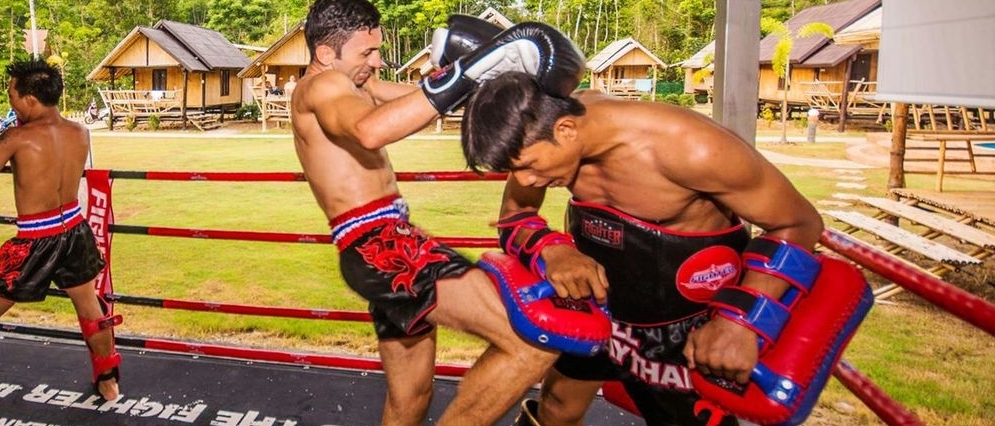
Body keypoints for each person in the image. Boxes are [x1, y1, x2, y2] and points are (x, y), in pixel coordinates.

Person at [460, 73, 826, 426]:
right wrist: (552, 249)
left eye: (528, 168)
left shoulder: (692, 148)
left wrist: (739, 324)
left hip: (686, 325)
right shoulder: (542, 130)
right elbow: (515, 215)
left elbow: (798, 223)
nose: (524, 181)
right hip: (602, 309)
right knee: (557, 406)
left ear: (566, 131)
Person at [291, 1, 587, 424]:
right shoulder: (321, 88)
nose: (376, 63)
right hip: (383, 247)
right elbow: (369, 130)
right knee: (532, 341)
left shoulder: (356, 83)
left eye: (377, 51)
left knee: (410, 397)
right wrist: (469, 71)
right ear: (324, 53)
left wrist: (480, 75)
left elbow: (425, 103)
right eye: (366, 54)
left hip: (379, 250)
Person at [0, 59, 120, 426]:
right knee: (90, 308)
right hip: (74, 229)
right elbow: (44, 167)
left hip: (36, 240)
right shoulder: (80, 132)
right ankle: (109, 383)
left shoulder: (16, 137)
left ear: (29, 98)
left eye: (12, 94)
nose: (10, 102)